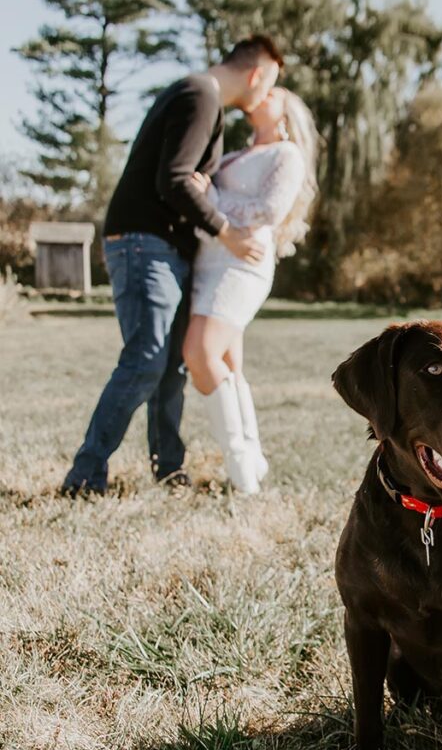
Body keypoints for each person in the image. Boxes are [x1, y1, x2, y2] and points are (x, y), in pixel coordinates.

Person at [61, 36, 283, 496]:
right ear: (257, 74)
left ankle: (168, 469)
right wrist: (226, 231)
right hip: (145, 244)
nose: (265, 98)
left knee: (168, 367)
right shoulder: (200, 95)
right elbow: (176, 179)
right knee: (145, 360)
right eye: (271, 85)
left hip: (162, 247)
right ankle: (85, 475)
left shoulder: (196, 95)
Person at [183, 86, 318, 493]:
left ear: (284, 112)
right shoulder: (234, 154)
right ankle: (253, 460)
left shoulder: (286, 154)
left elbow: (269, 211)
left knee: (199, 353)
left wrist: (212, 195)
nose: (262, 94)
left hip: (242, 263)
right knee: (228, 362)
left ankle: (241, 471)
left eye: (273, 92)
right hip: (208, 260)